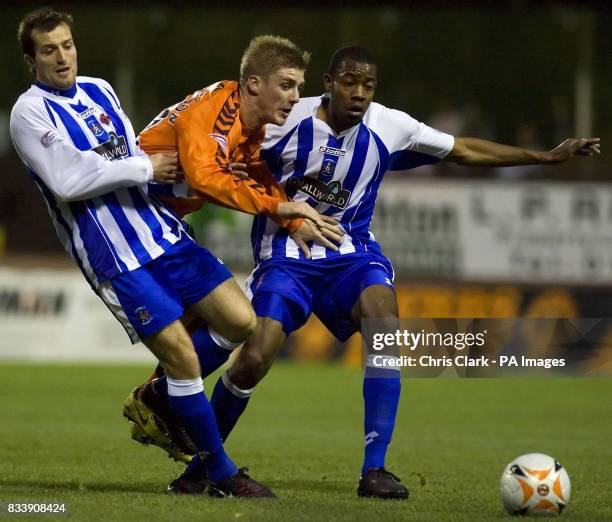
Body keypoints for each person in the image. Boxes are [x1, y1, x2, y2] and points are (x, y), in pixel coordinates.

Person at [126, 46, 600, 498]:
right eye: (349, 82)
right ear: (329, 83)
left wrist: (545, 155)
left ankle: (375, 468)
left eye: (368, 85)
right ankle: (202, 468)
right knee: (255, 356)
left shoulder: (390, 125)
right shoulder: (285, 116)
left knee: (383, 317)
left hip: (352, 254)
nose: (358, 93)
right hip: (286, 254)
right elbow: (228, 160)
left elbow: (462, 150)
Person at [10, 8, 330, 498]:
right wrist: (142, 168)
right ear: (31, 60)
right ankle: (220, 474)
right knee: (182, 355)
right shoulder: (28, 113)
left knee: (240, 322)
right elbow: (68, 180)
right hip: (114, 253)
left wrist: (289, 215)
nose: (62, 56)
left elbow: (129, 154)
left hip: (162, 231)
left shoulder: (99, 90)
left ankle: (158, 400)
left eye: (68, 45)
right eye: (49, 50)